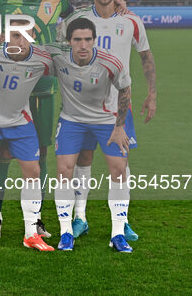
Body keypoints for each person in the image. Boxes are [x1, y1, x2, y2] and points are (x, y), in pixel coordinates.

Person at [56, 0, 156, 241]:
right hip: (82, 107)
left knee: (120, 165)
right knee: (83, 160)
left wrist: (152, 94)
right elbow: (58, 48)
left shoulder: (131, 20)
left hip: (118, 106)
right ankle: (80, 217)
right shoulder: (78, 19)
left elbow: (146, 57)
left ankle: (121, 222)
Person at [0, 0, 71, 240]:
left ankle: (37, 218)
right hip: (7, 83)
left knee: (41, 153)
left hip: (43, 86)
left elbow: (76, 21)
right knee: (2, 153)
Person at [0, 20, 55, 253]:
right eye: (15, 36)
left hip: (20, 122)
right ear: (5, 37)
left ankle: (30, 234)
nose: (21, 41)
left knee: (33, 172)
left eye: (26, 36)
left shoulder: (42, 58)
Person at [47, 18, 134, 253]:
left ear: (94, 40)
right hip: (71, 120)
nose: (83, 45)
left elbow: (125, 90)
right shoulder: (59, 57)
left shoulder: (110, 62)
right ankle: (66, 231)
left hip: (105, 121)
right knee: (64, 171)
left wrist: (119, 127)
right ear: (69, 42)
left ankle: (117, 233)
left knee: (119, 169)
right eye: (77, 40)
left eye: (87, 39)